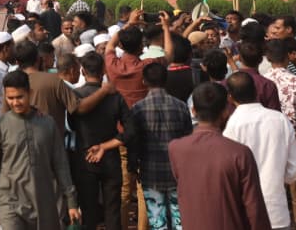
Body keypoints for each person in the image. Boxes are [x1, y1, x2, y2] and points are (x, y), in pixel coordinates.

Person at [0, 70, 78, 230]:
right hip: (10, 202)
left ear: (30, 93)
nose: (15, 102)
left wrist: (71, 201)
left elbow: (60, 164)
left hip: (44, 200)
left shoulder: (47, 123)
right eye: (10, 98)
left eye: (20, 97)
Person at [169, 81, 272, 230]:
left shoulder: (176, 148)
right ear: (225, 112)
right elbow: (254, 208)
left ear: (193, 110)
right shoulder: (239, 153)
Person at [221, 72, 296, 230]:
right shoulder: (279, 120)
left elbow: (229, 174)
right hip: (276, 210)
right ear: (256, 91)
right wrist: (276, 178)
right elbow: (295, 170)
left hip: (246, 214)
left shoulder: (232, 127)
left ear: (230, 97)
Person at [69, 51, 132, 230]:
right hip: (110, 158)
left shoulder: (76, 95)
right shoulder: (114, 96)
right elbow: (130, 131)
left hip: (84, 159)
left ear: (82, 71)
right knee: (112, 212)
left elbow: (72, 125)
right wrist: (107, 145)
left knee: (89, 214)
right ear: (104, 70)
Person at [128, 61, 191, 230]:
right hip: (177, 173)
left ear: (144, 81)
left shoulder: (137, 109)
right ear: (166, 80)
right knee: (180, 222)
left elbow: (134, 142)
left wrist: (133, 166)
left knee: (157, 222)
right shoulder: (181, 107)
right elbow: (188, 140)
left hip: (150, 172)